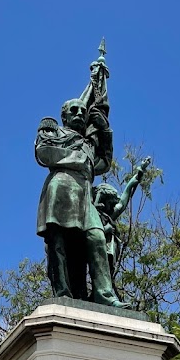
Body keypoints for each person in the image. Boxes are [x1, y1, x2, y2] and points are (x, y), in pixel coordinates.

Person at [35, 84, 121, 306]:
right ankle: (62, 292)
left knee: (97, 238)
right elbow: (44, 153)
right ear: (63, 116)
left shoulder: (87, 143)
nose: (80, 113)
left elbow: (102, 164)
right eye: (74, 110)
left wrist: (105, 131)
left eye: (83, 111)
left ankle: (105, 294)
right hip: (61, 186)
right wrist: (79, 161)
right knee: (58, 243)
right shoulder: (55, 133)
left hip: (84, 195)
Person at [92, 157, 151, 276]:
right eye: (109, 202)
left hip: (106, 254)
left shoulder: (109, 215)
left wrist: (138, 174)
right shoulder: (91, 214)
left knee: (106, 273)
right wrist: (104, 230)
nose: (111, 206)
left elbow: (125, 198)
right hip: (92, 254)